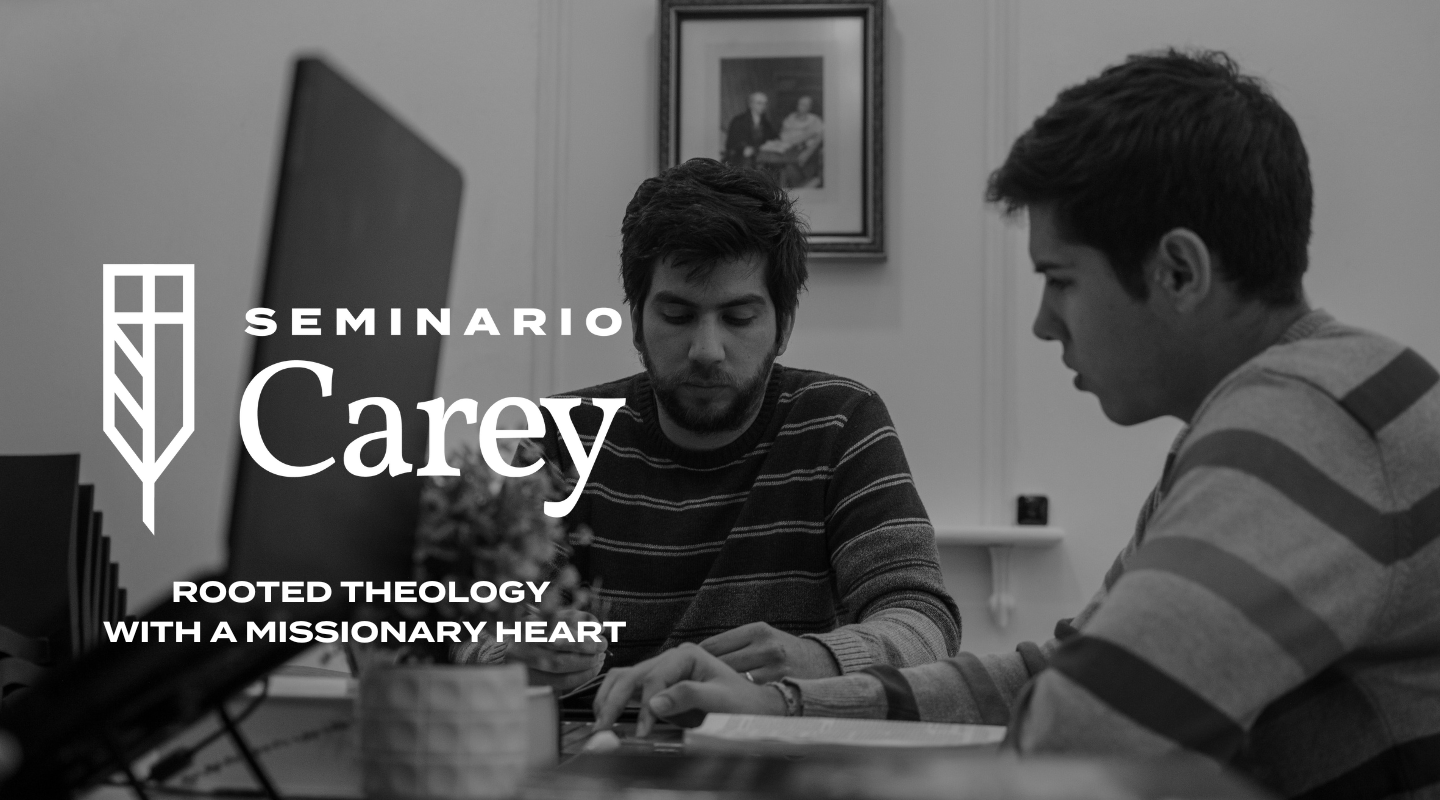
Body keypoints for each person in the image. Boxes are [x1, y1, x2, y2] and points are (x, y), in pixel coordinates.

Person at [592, 50, 1440, 800]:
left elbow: (1078, 736)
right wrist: (782, 706)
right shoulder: (1270, 418)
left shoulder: (1311, 425)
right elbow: (1060, 678)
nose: (1042, 322)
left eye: (1060, 279)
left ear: (1179, 271)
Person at [459, 158, 961, 695]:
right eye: (677, 316)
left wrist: (817, 658)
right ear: (636, 324)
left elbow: (923, 617)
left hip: (782, 734)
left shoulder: (840, 422)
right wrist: (509, 655)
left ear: (783, 327)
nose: (706, 350)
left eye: (738, 318)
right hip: (599, 738)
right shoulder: (563, 433)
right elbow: (470, 625)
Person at [758, 95, 824, 188]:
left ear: (810, 107)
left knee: (789, 166)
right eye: (800, 104)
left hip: (806, 152)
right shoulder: (791, 117)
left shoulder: (815, 119)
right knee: (768, 159)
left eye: (805, 105)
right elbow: (783, 135)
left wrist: (800, 139)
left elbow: (818, 139)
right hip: (788, 148)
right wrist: (802, 135)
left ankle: (800, 185)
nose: (801, 106)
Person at [723, 92, 777, 168]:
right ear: (750, 104)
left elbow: (772, 139)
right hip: (740, 158)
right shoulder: (738, 121)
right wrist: (743, 149)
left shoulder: (766, 124)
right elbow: (731, 143)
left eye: (765, 103)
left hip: (761, 157)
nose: (763, 106)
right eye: (759, 103)